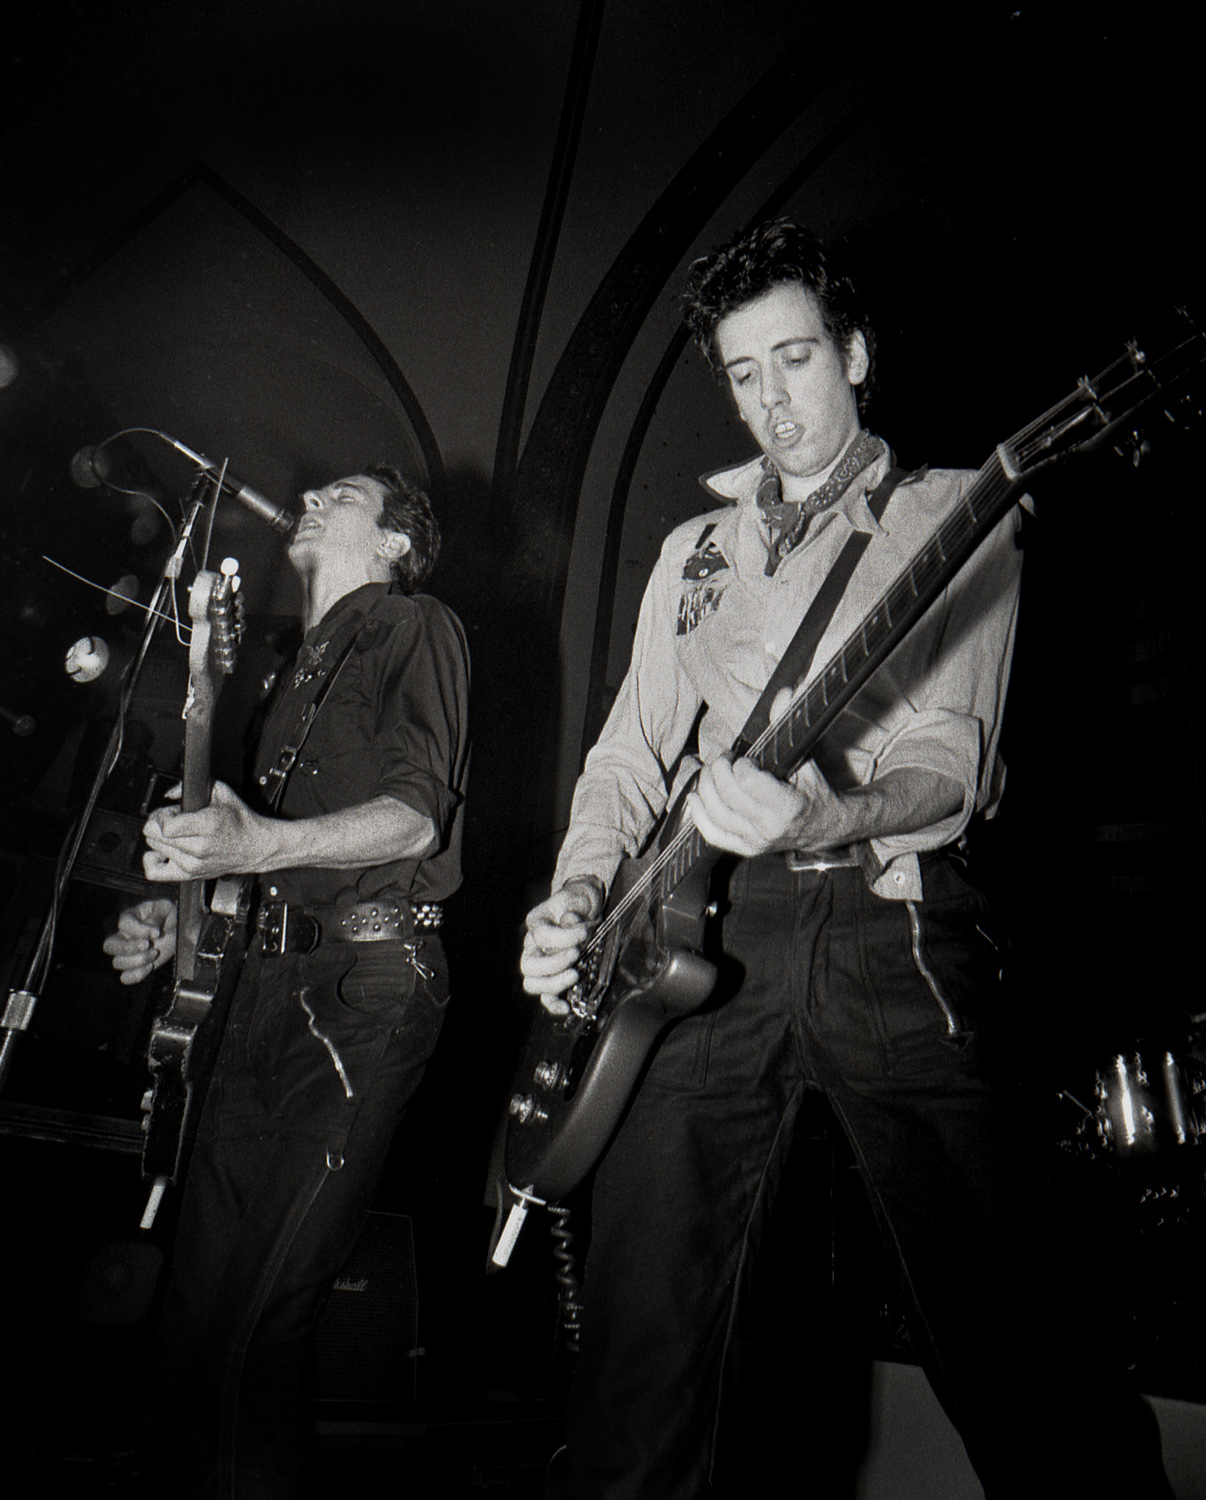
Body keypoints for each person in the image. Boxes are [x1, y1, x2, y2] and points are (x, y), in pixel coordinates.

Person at [519, 221, 1172, 1497]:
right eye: (744, 372)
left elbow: (950, 766)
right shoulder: (688, 556)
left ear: (856, 356)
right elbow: (625, 757)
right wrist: (579, 894)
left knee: (1011, 1338)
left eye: (797, 358)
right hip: (696, 939)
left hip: (890, 929)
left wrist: (820, 818)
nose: (773, 399)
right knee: (637, 1346)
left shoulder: (954, 508)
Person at [104, 464, 470, 1498]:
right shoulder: (282, 672)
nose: (310, 497)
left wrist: (255, 842)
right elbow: (250, 864)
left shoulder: (414, 624)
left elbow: (414, 817)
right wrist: (178, 914)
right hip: (259, 988)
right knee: (188, 1330)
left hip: (366, 983)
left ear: (395, 540)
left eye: (341, 494)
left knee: (260, 1326)